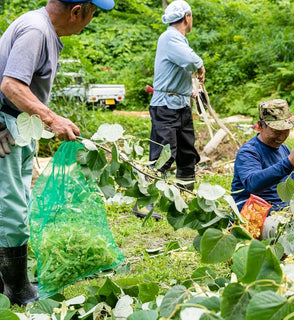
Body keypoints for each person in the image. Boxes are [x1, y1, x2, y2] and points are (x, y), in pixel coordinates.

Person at [0, 0, 114, 305]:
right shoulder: (37, 30)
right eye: (92, 13)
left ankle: (11, 282)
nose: (91, 20)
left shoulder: (45, 31)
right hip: (3, 127)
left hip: (17, 127)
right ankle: (15, 289)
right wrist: (52, 119)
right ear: (77, 11)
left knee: (18, 199)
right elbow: (10, 84)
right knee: (10, 205)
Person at [132, 0, 205, 219]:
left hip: (180, 106)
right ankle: (143, 205)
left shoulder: (179, 39)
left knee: (187, 154)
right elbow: (189, 61)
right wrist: (200, 64)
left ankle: (183, 198)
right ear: (187, 17)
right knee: (164, 155)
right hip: (165, 108)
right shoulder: (170, 37)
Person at [231, 99, 294, 213]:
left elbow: (290, 185)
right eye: (276, 131)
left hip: (283, 210)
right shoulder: (248, 152)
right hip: (255, 213)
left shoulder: (284, 149)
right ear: (260, 125)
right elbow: (253, 184)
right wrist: (288, 163)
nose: (281, 137)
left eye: (285, 131)